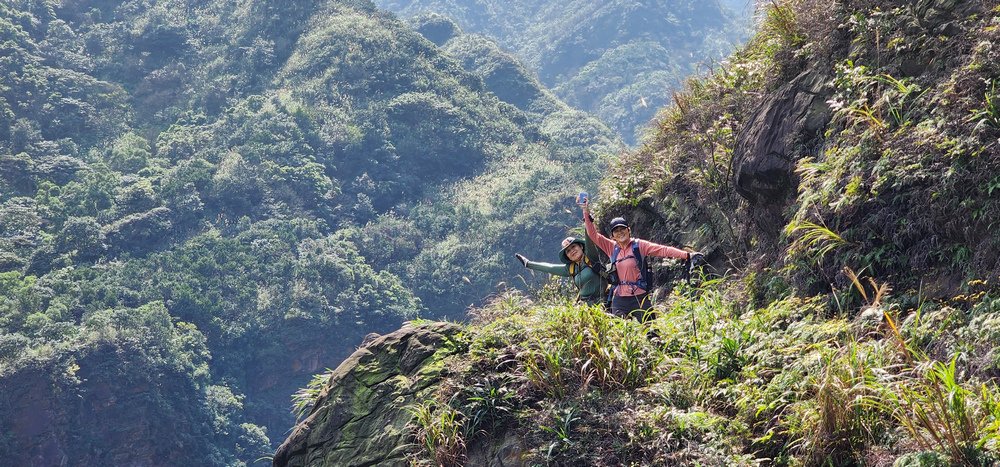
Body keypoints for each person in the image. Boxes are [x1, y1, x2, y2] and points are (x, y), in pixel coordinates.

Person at [582, 201, 704, 320]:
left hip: (640, 296)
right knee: (619, 333)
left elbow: (663, 250)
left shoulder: (639, 245)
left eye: (622, 229)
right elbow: (593, 235)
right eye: (616, 231)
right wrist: (586, 212)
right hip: (619, 298)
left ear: (629, 230)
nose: (620, 233)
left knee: (652, 332)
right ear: (612, 236)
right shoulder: (611, 247)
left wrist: (687, 255)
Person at [515, 236, 607, 306]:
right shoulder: (570, 268)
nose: (572, 251)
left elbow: (589, 237)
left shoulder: (591, 257)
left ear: (581, 246)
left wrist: (587, 218)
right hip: (584, 306)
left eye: (573, 246)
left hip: (603, 302)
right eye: (568, 251)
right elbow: (550, 268)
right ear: (567, 256)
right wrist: (528, 264)